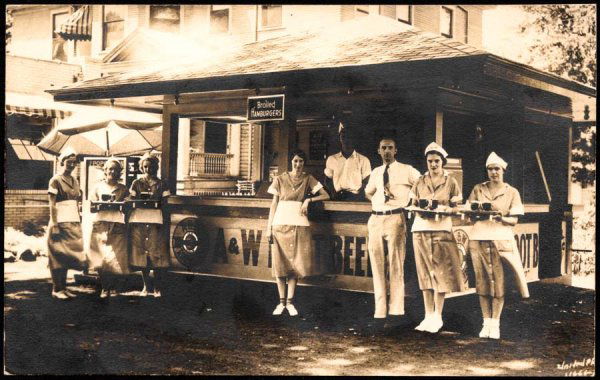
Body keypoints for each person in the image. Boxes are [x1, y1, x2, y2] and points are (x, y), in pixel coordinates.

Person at [466, 152, 530, 340]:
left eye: (497, 169)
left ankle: (496, 323)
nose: (493, 172)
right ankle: (486, 322)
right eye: (490, 169)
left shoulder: (512, 192)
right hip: (479, 237)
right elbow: (469, 211)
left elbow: (514, 220)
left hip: (501, 238)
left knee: (499, 282)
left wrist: (501, 217)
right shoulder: (478, 188)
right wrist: (477, 213)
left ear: (503, 170)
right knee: (482, 281)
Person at [409, 142, 467, 333]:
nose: (433, 164)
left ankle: (438, 316)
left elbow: (456, 207)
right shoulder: (419, 180)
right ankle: (427, 315)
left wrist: (446, 209)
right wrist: (416, 208)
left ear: (442, 162)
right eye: (429, 161)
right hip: (420, 228)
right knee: (425, 272)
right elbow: (412, 204)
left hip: (442, 228)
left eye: (436, 161)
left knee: (440, 272)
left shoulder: (451, 181)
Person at [266, 149, 330, 316]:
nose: (298, 164)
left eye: (301, 161)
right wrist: (269, 227)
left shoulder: (308, 179)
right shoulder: (279, 179)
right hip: (280, 224)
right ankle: (280, 303)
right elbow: (274, 204)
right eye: (295, 161)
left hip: (299, 225)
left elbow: (326, 195)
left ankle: (290, 303)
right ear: (291, 162)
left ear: (304, 163)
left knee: (294, 265)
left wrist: (308, 199)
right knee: (280, 266)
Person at [364, 138, 420, 326]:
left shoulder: (407, 170)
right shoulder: (376, 172)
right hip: (376, 218)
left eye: (390, 148)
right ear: (378, 151)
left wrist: (409, 200)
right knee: (377, 265)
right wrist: (378, 201)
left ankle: (396, 311)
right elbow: (368, 192)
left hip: (396, 217)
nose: (386, 151)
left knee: (396, 264)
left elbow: (421, 184)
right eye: (383, 148)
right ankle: (379, 312)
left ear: (396, 150)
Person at [46, 147, 87, 300]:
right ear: (62, 162)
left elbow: (77, 201)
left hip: (73, 221)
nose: (71, 165)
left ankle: (63, 287)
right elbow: (52, 204)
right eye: (68, 162)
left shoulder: (75, 180)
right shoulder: (55, 180)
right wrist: (55, 224)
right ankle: (56, 289)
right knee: (57, 256)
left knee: (67, 256)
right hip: (59, 222)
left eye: (74, 163)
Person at [129, 153, 171, 298]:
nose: (148, 169)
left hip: (156, 220)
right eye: (145, 166)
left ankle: (157, 288)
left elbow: (166, 203)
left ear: (156, 167)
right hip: (139, 219)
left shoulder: (162, 183)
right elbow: (131, 200)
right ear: (141, 167)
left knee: (156, 254)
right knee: (142, 254)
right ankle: (146, 286)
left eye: (151, 166)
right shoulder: (136, 183)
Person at [88, 158, 130, 299]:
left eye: (115, 169)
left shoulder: (123, 188)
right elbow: (92, 208)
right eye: (109, 169)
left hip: (117, 224)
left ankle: (114, 288)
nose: (112, 171)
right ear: (105, 171)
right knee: (100, 258)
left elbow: (128, 208)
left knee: (116, 258)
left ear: (119, 172)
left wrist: (122, 204)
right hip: (100, 223)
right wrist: (101, 205)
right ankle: (105, 287)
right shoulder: (97, 187)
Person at [324, 122, 371, 201]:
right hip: (337, 197)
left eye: (350, 137)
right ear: (340, 138)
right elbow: (328, 180)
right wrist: (334, 194)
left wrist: (359, 195)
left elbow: (367, 182)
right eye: (343, 137)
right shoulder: (332, 159)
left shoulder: (363, 160)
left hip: (356, 199)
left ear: (354, 139)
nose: (346, 140)